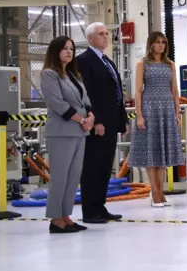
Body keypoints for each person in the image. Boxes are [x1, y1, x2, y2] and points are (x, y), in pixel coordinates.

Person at [40, 36, 94, 233]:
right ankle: (55, 219)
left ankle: (66, 216)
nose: (69, 52)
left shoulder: (74, 75)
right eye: (64, 48)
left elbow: (85, 100)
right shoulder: (49, 74)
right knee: (60, 176)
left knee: (72, 177)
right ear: (55, 51)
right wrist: (82, 120)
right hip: (61, 132)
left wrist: (91, 116)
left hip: (79, 132)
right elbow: (58, 103)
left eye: (71, 48)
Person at [76, 22, 128, 223]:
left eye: (107, 33)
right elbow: (88, 95)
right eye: (101, 34)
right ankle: (89, 211)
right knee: (93, 167)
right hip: (96, 125)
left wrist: (121, 121)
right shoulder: (84, 61)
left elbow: (117, 94)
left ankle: (100, 206)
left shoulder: (107, 61)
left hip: (111, 123)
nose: (106, 37)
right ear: (90, 38)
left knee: (105, 167)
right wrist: (95, 120)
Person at [129, 31, 183, 207]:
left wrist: (177, 112)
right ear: (151, 44)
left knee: (162, 153)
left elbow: (175, 90)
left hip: (166, 108)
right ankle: (155, 192)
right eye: (158, 42)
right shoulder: (142, 64)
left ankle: (160, 192)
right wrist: (139, 115)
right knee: (152, 151)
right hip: (149, 108)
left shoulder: (170, 65)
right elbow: (137, 90)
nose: (161, 45)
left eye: (163, 43)